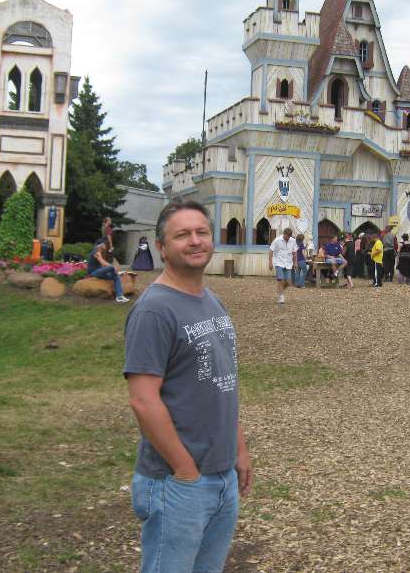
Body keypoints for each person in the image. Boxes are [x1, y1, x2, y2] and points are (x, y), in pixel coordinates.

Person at [124, 200, 252, 573]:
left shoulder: (211, 301)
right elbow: (143, 400)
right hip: (177, 481)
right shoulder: (154, 310)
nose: (195, 241)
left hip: (221, 474)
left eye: (202, 232)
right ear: (161, 248)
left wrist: (238, 450)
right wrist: (185, 470)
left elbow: (221, 383)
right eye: (182, 235)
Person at [268, 227, 296, 303]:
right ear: (284, 234)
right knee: (280, 280)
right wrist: (270, 262)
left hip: (288, 263)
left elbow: (294, 252)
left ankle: (280, 291)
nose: (287, 238)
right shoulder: (277, 240)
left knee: (288, 282)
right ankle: (281, 296)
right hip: (278, 262)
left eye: (288, 237)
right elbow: (271, 250)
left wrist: (295, 262)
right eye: (286, 236)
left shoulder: (293, 241)